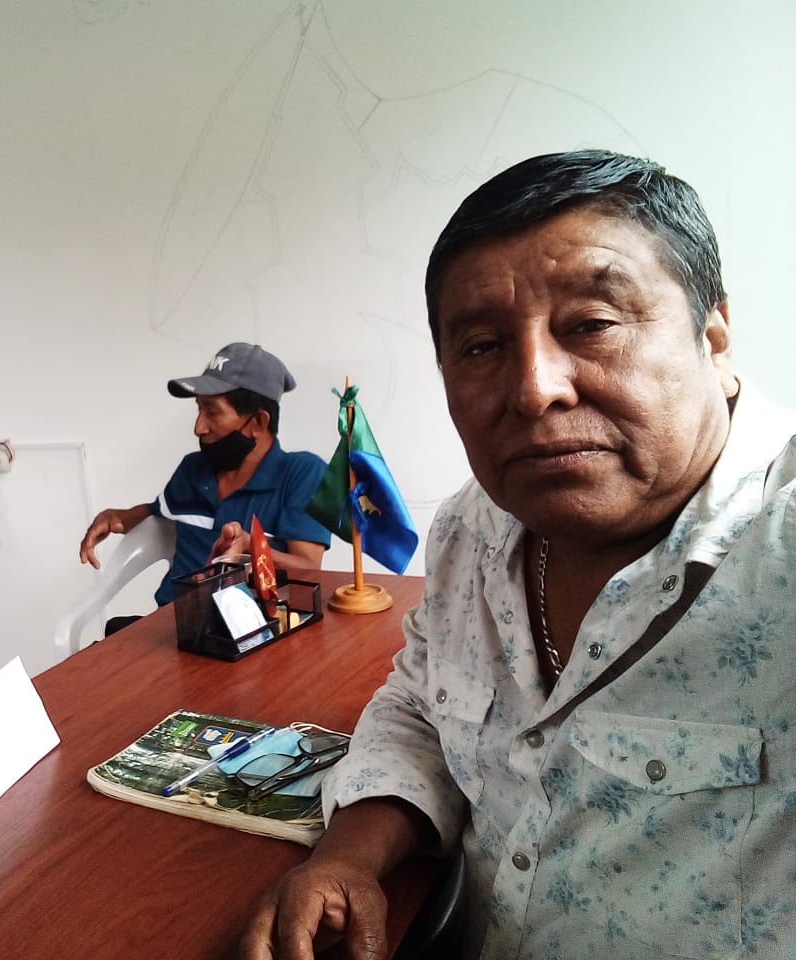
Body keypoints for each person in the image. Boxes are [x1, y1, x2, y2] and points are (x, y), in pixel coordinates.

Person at [240, 150, 796, 959]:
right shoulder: (474, 526)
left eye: (593, 324)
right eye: (481, 346)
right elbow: (421, 706)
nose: (535, 388)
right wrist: (349, 857)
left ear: (712, 337)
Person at [79, 342, 331, 611]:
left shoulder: (302, 474)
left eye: (212, 411)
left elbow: (309, 568)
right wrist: (116, 517)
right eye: (198, 409)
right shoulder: (193, 469)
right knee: (109, 639)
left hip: (256, 626)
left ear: (258, 422)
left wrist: (251, 548)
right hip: (173, 621)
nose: (198, 427)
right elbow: (157, 514)